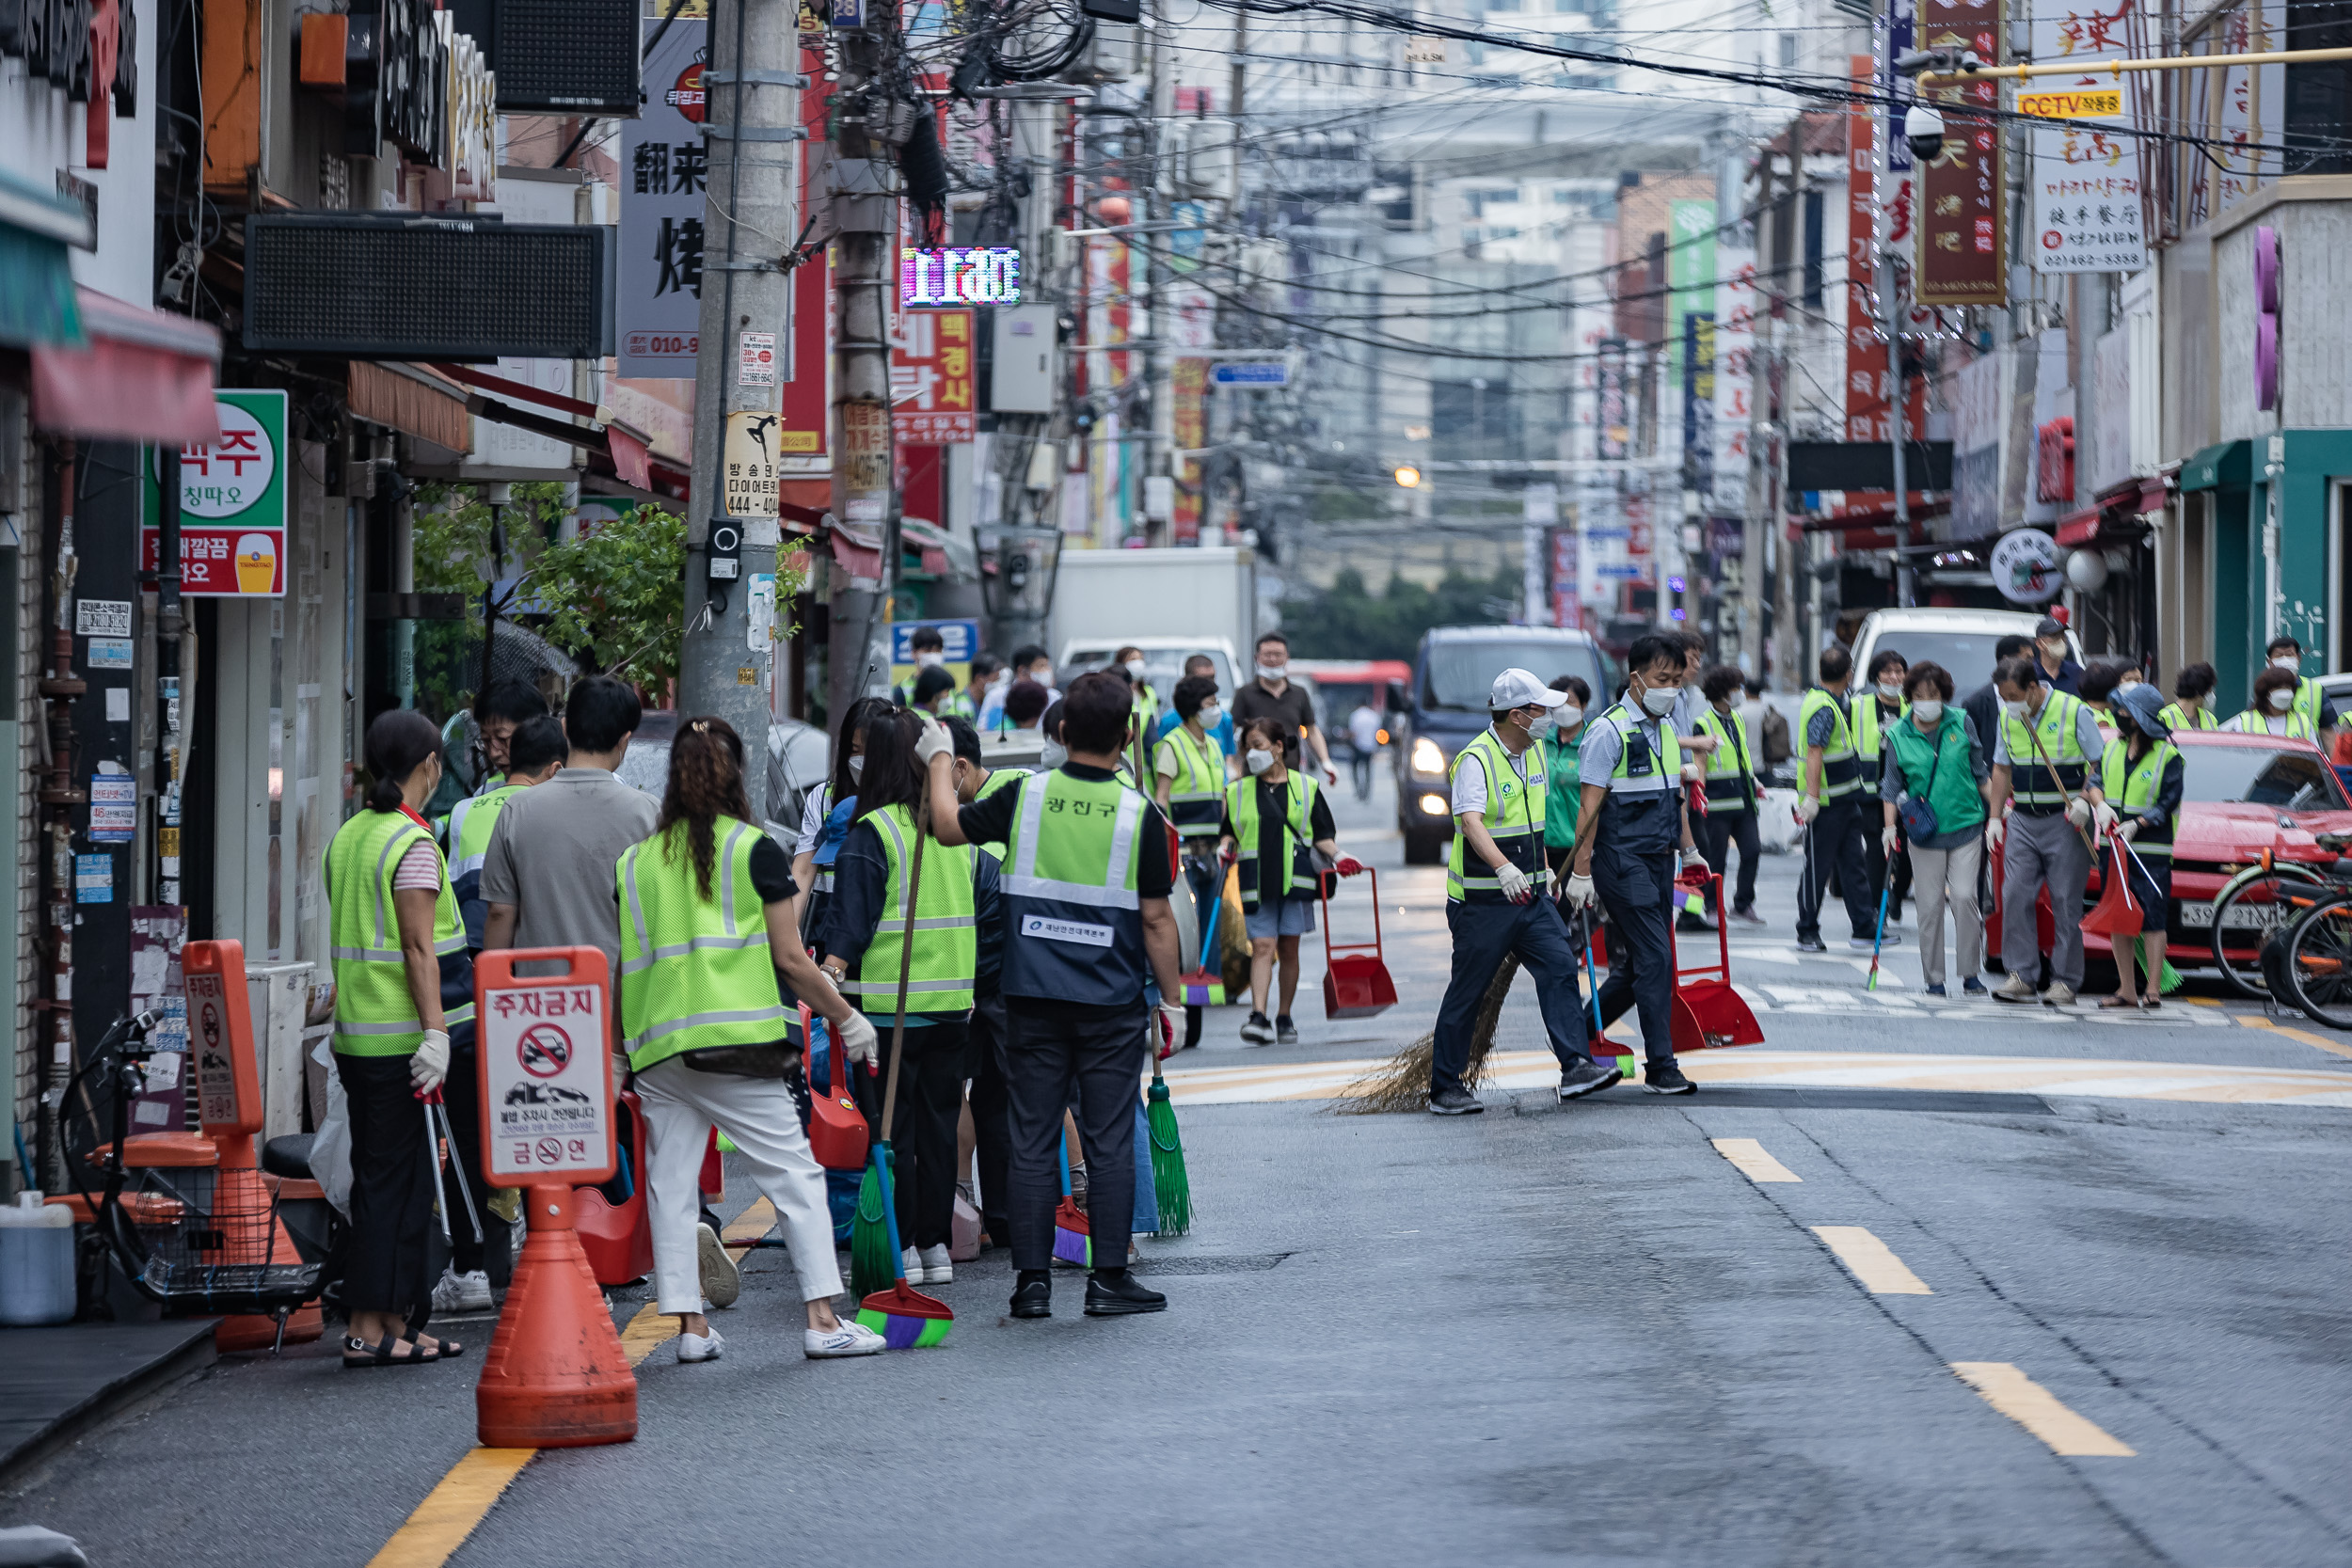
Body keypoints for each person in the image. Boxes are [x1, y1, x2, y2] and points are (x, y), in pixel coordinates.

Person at [615, 717, 888, 1364]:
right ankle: (823, 1318)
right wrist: (848, 1019)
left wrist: (621, 1051)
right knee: (794, 1175)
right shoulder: (753, 849)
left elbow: (625, 963)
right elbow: (792, 960)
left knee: (671, 1187)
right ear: (735, 774)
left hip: (658, 1049)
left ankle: (690, 1329)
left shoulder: (633, 863)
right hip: (740, 1046)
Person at [920, 671, 1189, 1320]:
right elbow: (1157, 919)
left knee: (1032, 1139)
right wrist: (1173, 1002)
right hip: (1111, 1004)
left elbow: (946, 827)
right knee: (1105, 1142)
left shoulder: (1025, 797)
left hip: (1030, 1000)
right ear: (1128, 736)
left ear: (1063, 731)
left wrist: (935, 756)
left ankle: (1031, 1284)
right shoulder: (1139, 814)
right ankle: (1108, 1281)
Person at [324, 710, 476, 1367]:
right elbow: (418, 948)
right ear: (431, 767)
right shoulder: (410, 845)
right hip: (401, 1046)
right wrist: (436, 1035)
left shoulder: (352, 836)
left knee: (397, 1183)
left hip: (359, 1039)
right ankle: (366, 1325)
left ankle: (394, 1320)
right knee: (392, 1186)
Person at [818, 710, 992, 1287]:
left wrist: (827, 982)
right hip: (951, 1008)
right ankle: (936, 1246)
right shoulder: (954, 829)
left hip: (892, 1012)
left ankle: (907, 1251)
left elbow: (849, 927)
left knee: (897, 1133)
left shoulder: (874, 832)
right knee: (941, 1130)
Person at [426, 712, 564, 1313]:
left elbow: (458, 903)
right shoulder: (550, 813)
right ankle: (547, 1260)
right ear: (555, 768)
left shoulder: (462, 814)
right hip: (546, 993)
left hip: (472, 990)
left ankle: (472, 1268)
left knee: (473, 1131)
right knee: (543, 1127)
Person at [1427, 670, 1613, 1114]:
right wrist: (1504, 869)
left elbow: (1532, 824)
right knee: (1468, 992)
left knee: (1560, 970)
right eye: (1540, 710)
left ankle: (1576, 1067)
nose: (1548, 717)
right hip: (1482, 903)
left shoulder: (1535, 755)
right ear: (1517, 715)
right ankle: (1444, 1088)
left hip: (1531, 899)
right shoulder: (1477, 760)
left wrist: (1545, 869)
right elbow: (1471, 822)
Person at [1561, 640, 1704, 1096]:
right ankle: (1661, 1066)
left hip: (1659, 862)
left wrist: (1690, 850)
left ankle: (1574, 1033)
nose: (1671, 690)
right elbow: (1589, 811)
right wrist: (1582, 874)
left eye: (1677, 682)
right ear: (1637, 678)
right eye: (1663, 681)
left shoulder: (1664, 730)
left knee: (1643, 960)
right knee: (1657, 957)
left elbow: (1673, 797)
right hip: (1621, 863)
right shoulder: (1608, 732)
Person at [1219, 716, 1362, 1046]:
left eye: (1258, 746)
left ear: (1279, 748)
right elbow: (1227, 831)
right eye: (1247, 749)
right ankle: (1258, 1015)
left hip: (1296, 880)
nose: (1251, 754)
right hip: (1256, 879)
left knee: (1289, 948)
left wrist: (1340, 857)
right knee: (1263, 948)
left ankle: (1284, 1015)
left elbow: (1323, 835)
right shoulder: (1237, 790)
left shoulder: (1306, 787)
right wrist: (1225, 847)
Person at [940, 717, 1022, 1248]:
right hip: (981, 980)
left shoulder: (1002, 805)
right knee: (990, 1098)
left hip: (1000, 979)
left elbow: (983, 907)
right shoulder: (983, 804)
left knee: (1008, 1096)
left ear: (961, 768)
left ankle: (1009, 1216)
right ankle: (996, 1218)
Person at [1984, 655, 2108, 1006]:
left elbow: (2101, 762)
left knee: (2065, 902)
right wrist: (1994, 817)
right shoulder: (2008, 718)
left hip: (2066, 819)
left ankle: (2065, 982)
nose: (2009, 702)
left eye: (2013, 695)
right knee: (2015, 896)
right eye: (2003, 696)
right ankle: (2021, 975)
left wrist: (2086, 800)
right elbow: (2001, 768)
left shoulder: (2073, 711)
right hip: (2022, 818)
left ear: (2034, 688)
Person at [1879, 661, 1991, 998]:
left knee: (1964, 897)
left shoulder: (1961, 721)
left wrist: (2000, 811)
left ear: (1944, 695)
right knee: (1929, 907)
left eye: (1934, 694)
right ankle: (1934, 979)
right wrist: (1888, 829)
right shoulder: (1897, 733)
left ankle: (1971, 973)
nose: (1927, 701)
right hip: (1923, 833)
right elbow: (1890, 786)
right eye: (1919, 695)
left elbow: (1980, 771)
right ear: (1909, 697)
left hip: (1966, 824)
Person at [445, 714, 564, 953]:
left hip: (469, 942)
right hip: (527, 947)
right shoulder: (550, 810)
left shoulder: (463, 809)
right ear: (555, 770)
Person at [1155, 673, 1231, 1052]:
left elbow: (1223, 796)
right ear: (1192, 707)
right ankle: (1184, 994)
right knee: (1187, 929)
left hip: (1212, 849)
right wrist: (1169, 845)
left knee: (1210, 926)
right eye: (1209, 703)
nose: (1215, 709)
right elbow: (1162, 798)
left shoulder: (1214, 745)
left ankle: (1207, 991)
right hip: (1184, 852)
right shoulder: (1172, 745)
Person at [1793, 647, 1885, 955]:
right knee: (1818, 869)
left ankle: (1864, 926)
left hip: (1846, 801)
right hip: (1827, 806)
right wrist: (1812, 798)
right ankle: (1807, 931)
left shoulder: (1829, 701)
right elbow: (1814, 751)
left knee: (1853, 865)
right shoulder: (1823, 706)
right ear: (1849, 673)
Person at [2100, 685, 2184, 1010]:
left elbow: (2167, 801)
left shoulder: (2168, 755)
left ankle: (2152, 989)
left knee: (2153, 918)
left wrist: (2138, 824)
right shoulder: (2111, 748)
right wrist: (2099, 804)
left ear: (2140, 718)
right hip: (2115, 846)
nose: (2119, 715)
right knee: (2118, 917)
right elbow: (2095, 782)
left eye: (2125, 711)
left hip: (2152, 849)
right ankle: (2126, 989)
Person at [788, 696, 894, 949]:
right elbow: (803, 871)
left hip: (885, 928)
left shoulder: (904, 802)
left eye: (872, 752)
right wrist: (789, 937)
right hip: (828, 924)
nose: (862, 761)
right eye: (855, 751)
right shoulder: (823, 799)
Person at [1693, 665, 1767, 927]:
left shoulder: (1737, 718)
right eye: (1736, 688)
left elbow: (1741, 757)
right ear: (1723, 693)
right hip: (1717, 804)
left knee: (1752, 851)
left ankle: (1743, 903)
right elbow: (1700, 762)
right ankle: (1712, 905)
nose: (1740, 693)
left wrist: (1754, 782)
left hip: (1743, 800)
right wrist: (1699, 796)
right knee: (1716, 859)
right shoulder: (1703, 723)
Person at [1851, 649, 1911, 930]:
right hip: (1870, 792)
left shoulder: (1912, 707)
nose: (1894, 677)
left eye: (1899, 671)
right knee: (1877, 850)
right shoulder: (1858, 706)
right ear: (1876, 676)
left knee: (1908, 851)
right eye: (1888, 672)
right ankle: (1878, 908)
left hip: (1909, 794)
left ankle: (1897, 895)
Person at [1232, 631, 1337, 786]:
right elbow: (1234, 731)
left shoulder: (1299, 693)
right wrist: (1233, 766)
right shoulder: (1244, 693)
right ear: (1257, 658)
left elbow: (1312, 730)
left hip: (1291, 774)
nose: (1273, 659)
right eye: (1267, 654)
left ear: (1287, 657)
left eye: (1278, 654)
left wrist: (1326, 761)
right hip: (1254, 777)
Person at [1539, 674, 1592, 888]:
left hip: (1575, 846)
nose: (1563, 709)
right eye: (1557, 704)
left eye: (1569, 703)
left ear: (1584, 705)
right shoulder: (1541, 741)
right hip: (1541, 845)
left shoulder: (1592, 742)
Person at [471, 680, 550, 793]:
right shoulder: (485, 793)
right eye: (486, 740)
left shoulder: (568, 790)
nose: (494, 753)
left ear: (537, 734)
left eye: (502, 739)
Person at [1962, 635, 2034, 753]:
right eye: (2027, 659)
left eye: (2033, 659)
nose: (2032, 665)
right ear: (2006, 660)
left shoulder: (2036, 694)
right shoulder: (1976, 703)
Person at [1156, 655, 1236, 756]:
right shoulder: (1169, 720)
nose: (1209, 684)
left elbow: (1230, 757)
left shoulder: (1223, 718)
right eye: (1203, 679)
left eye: (1212, 677)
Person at [2225, 665, 2320, 739]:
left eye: (2287, 688)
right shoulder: (2246, 721)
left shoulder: (2303, 721)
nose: (2284, 693)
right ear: (2265, 693)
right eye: (2278, 688)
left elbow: (2314, 755)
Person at [1113, 645, 1160, 739]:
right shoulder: (1116, 692)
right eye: (1133, 659)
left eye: (1141, 659)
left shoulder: (1149, 692)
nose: (1138, 664)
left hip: (1144, 749)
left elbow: (1155, 721)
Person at [2159, 662, 2221, 732]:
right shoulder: (2165, 717)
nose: (2211, 695)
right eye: (2209, 691)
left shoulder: (2210, 719)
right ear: (2199, 692)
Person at [2032, 616, 2083, 695]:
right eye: (2054, 636)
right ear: (2039, 643)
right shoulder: (2030, 673)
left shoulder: (2076, 672)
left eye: (2062, 636)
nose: (2061, 640)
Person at [1346, 698, 1381, 801]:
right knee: (1368, 770)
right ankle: (1367, 791)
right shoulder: (1374, 716)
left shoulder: (1355, 715)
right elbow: (1378, 733)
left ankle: (1358, 790)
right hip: (1370, 747)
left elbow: (1353, 733)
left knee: (1355, 769)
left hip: (1358, 746)